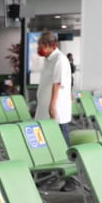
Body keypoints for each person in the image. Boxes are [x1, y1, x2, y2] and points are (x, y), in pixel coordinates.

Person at [36, 31, 75, 189]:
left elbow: (57, 84)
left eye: (41, 45)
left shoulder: (60, 59)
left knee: (62, 146)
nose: (39, 48)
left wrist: (52, 106)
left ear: (50, 45)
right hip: (45, 112)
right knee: (46, 145)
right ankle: (46, 176)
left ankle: (71, 180)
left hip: (55, 112)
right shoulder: (48, 59)